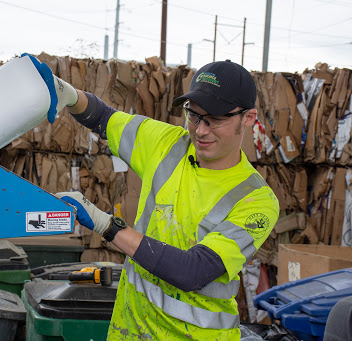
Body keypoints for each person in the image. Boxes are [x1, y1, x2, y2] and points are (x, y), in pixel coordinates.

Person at [44, 59, 279, 340]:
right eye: (194, 115)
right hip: (131, 332)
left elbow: (193, 271)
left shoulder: (256, 201)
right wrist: (68, 93)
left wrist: (105, 224)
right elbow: (103, 117)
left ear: (248, 118)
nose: (201, 131)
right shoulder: (169, 144)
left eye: (215, 119)